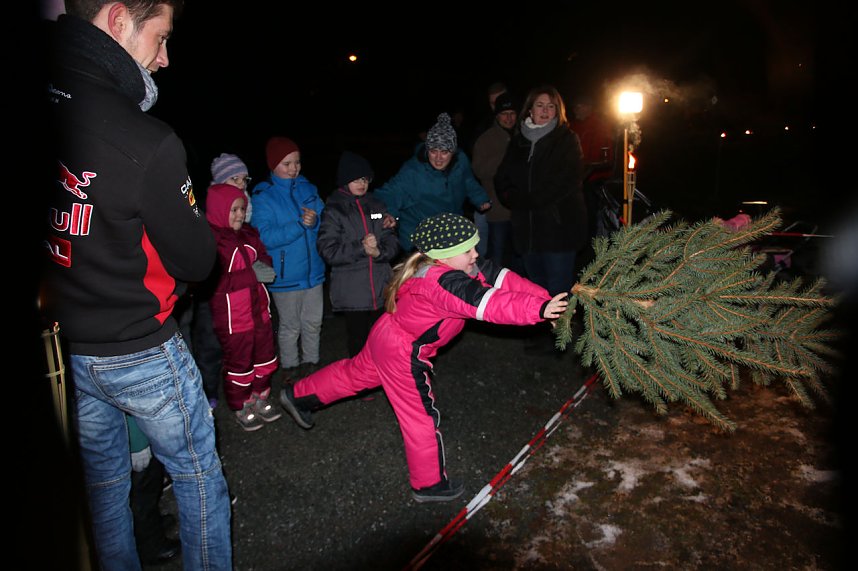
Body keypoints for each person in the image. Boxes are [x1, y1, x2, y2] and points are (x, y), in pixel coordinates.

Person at [40, 1, 233, 569]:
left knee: (102, 486)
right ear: (119, 20)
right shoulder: (143, 138)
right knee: (198, 477)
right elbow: (197, 260)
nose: (165, 58)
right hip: (139, 348)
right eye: (161, 37)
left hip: (66, 343)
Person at [279, 213, 569, 503]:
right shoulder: (442, 282)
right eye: (468, 250)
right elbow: (488, 303)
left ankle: (298, 396)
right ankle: (428, 484)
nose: (475, 254)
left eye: (474, 246)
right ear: (443, 255)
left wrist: (544, 299)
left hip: (388, 335)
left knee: (353, 375)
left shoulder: (454, 267)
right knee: (420, 416)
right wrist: (538, 310)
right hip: (404, 352)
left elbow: (501, 279)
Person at [495, 84, 586, 297]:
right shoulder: (518, 141)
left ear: (557, 111)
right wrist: (511, 198)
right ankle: (544, 330)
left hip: (559, 231)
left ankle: (562, 330)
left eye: (550, 106)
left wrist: (529, 200)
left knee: (558, 290)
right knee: (537, 290)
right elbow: (502, 177)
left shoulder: (567, 139)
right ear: (530, 110)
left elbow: (567, 179)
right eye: (540, 105)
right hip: (527, 232)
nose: (545, 111)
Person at [206, 183, 282, 431]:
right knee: (240, 365)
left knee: (266, 358)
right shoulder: (211, 241)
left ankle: (260, 397)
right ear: (219, 210)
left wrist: (265, 266)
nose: (240, 214)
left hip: (259, 311)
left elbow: (262, 256)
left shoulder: (248, 234)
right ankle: (242, 404)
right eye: (234, 210)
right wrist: (252, 275)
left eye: (242, 209)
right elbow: (213, 282)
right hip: (233, 320)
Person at [252, 136, 326, 380]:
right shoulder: (264, 197)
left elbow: (325, 223)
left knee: (313, 322)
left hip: (313, 271)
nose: (293, 168)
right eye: (286, 164)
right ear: (273, 165)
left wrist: (314, 222)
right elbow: (264, 237)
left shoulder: (308, 188)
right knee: (290, 326)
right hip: (285, 276)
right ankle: (290, 369)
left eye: (297, 162)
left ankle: (312, 365)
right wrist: (298, 225)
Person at [317, 151, 400, 360]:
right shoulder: (334, 210)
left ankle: (383, 375)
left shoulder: (377, 206)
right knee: (358, 341)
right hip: (353, 291)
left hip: (381, 286)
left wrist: (380, 251)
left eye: (365, 179)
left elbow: (390, 238)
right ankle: (360, 384)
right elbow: (328, 250)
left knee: (384, 337)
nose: (361, 184)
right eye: (355, 179)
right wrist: (360, 248)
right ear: (344, 181)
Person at [375, 113, 492, 254]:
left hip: (449, 228)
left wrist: (480, 198)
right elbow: (390, 192)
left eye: (444, 152)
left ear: (453, 152)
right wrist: (389, 213)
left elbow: (468, 181)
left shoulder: (460, 162)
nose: (438, 158)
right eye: (433, 151)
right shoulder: (413, 170)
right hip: (419, 236)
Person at [472, 91, 520, 270]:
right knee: (497, 256)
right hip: (497, 211)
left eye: (512, 113)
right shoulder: (486, 139)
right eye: (504, 114)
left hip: (521, 210)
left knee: (520, 256)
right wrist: (505, 155)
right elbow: (479, 170)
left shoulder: (524, 135)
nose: (508, 118)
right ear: (497, 116)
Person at [127, 416, 180, 566]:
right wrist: (137, 443)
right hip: (132, 435)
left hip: (141, 428)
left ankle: (151, 527)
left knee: (151, 482)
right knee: (142, 490)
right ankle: (150, 545)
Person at [211, 152, 254, 222]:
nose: (242, 183)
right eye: (235, 178)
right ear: (221, 183)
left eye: (244, 179)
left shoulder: (246, 199)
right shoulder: (215, 205)